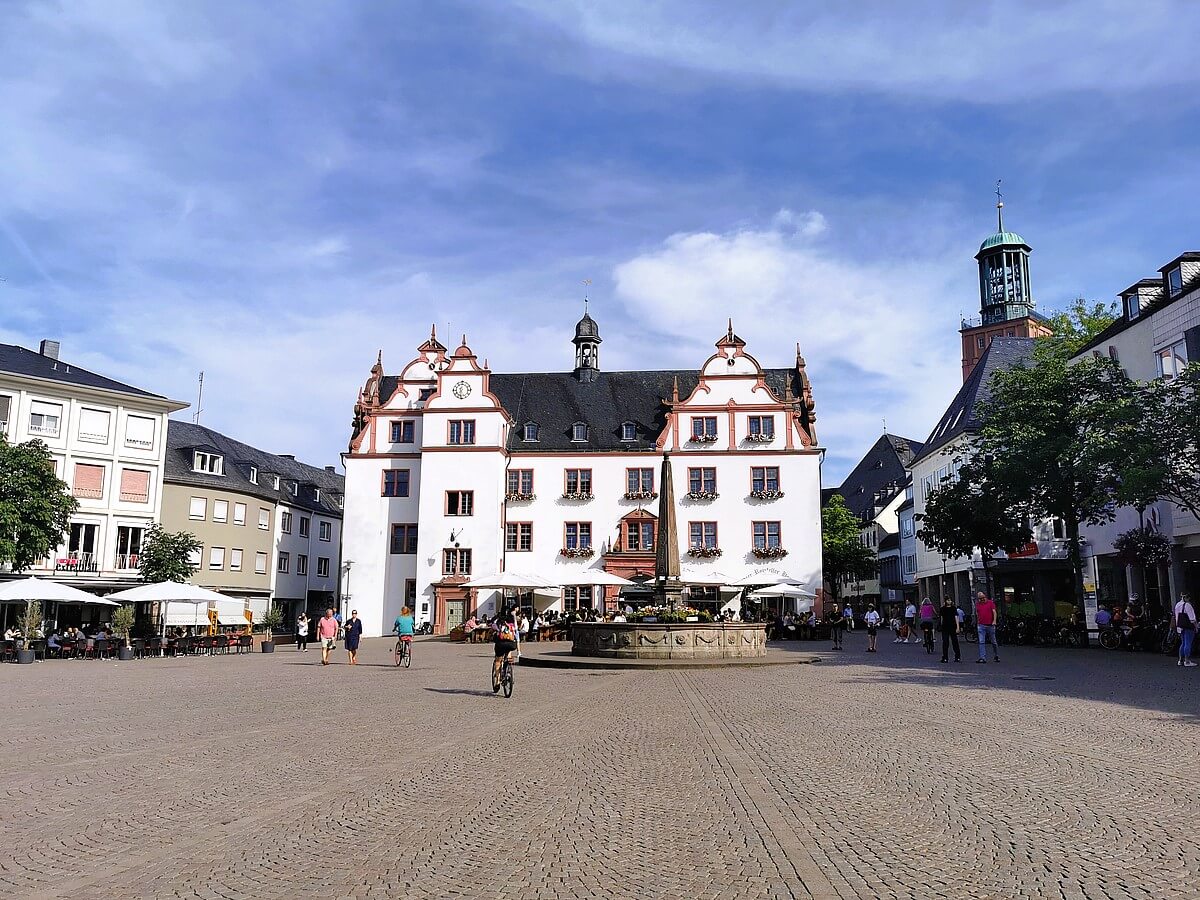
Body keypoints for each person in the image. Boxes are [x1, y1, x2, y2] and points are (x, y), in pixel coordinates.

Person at [492, 611, 520, 692]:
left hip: (500, 644)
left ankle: (497, 680)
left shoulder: (498, 622)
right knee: (508, 652)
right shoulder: (512, 623)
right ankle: (508, 667)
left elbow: (493, 628)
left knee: (498, 660)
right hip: (511, 644)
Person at [1173, 592, 1196, 668]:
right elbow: (1192, 619)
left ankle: (1180, 660)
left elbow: (1176, 616)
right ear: (1188, 598)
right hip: (1188, 626)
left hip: (1180, 626)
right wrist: (1196, 626)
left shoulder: (1177, 605)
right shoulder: (1188, 605)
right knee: (1188, 643)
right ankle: (1187, 660)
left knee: (1183, 643)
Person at [974, 592, 999, 663]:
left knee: (993, 641)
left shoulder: (990, 603)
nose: (982, 599)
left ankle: (996, 655)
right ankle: (982, 657)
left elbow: (994, 612)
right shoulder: (977, 604)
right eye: (980, 598)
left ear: (985, 597)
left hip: (990, 625)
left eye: (983, 598)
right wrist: (977, 623)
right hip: (981, 625)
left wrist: (994, 621)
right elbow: (977, 614)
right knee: (981, 641)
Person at [939, 596, 960, 663]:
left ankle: (957, 656)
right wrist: (940, 625)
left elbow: (956, 617)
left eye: (950, 600)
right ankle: (945, 657)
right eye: (948, 600)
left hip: (953, 626)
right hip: (945, 627)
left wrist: (958, 627)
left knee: (955, 642)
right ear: (945, 601)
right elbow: (941, 618)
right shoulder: (942, 609)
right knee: (945, 642)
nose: (949, 601)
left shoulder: (953, 608)